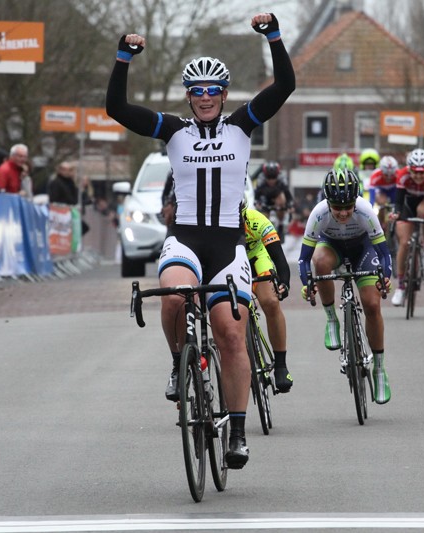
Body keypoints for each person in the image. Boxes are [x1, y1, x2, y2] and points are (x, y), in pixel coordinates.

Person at [106, 12, 295, 469]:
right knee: (172, 297)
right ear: (188, 96)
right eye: (197, 91)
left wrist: (272, 35)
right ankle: (178, 362)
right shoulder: (173, 130)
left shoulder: (242, 126)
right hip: (185, 240)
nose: (206, 98)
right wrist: (123, 58)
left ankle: (237, 430)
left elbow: (284, 85)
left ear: (224, 95)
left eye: (213, 91)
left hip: (228, 245)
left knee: (231, 334)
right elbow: (117, 108)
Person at [298, 168, 392, 404]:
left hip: (363, 249)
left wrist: (386, 276)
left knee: (371, 304)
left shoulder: (365, 210)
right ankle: (332, 319)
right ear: (327, 202)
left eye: (348, 207)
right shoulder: (319, 213)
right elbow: (303, 259)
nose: (342, 213)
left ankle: (379, 369)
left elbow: (384, 253)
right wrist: (307, 284)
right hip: (333, 249)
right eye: (337, 207)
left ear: (356, 200)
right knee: (320, 262)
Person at [242, 204, 293, 392]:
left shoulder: (257, 220)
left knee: (270, 302)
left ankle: (280, 365)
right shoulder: (217, 223)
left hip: (256, 258)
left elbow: (279, 258)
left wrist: (284, 282)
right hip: (230, 261)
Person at [389, 148, 424, 306]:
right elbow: (398, 202)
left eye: (422, 173)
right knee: (404, 243)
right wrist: (396, 214)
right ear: (409, 169)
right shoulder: (402, 175)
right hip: (406, 204)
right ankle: (400, 287)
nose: (419, 176)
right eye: (415, 172)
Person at [253, 160, 293, 240]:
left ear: (277, 175)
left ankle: (280, 225)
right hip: (265, 199)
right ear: (265, 175)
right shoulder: (261, 179)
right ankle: (264, 230)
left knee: (281, 198)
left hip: (277, 199)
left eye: (273, 177)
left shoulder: (282, 179)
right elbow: (257, 195)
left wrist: (289, 206)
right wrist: (258, 203)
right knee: (264, 215)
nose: (271, 180)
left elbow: (287, 194)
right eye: (269, 177)